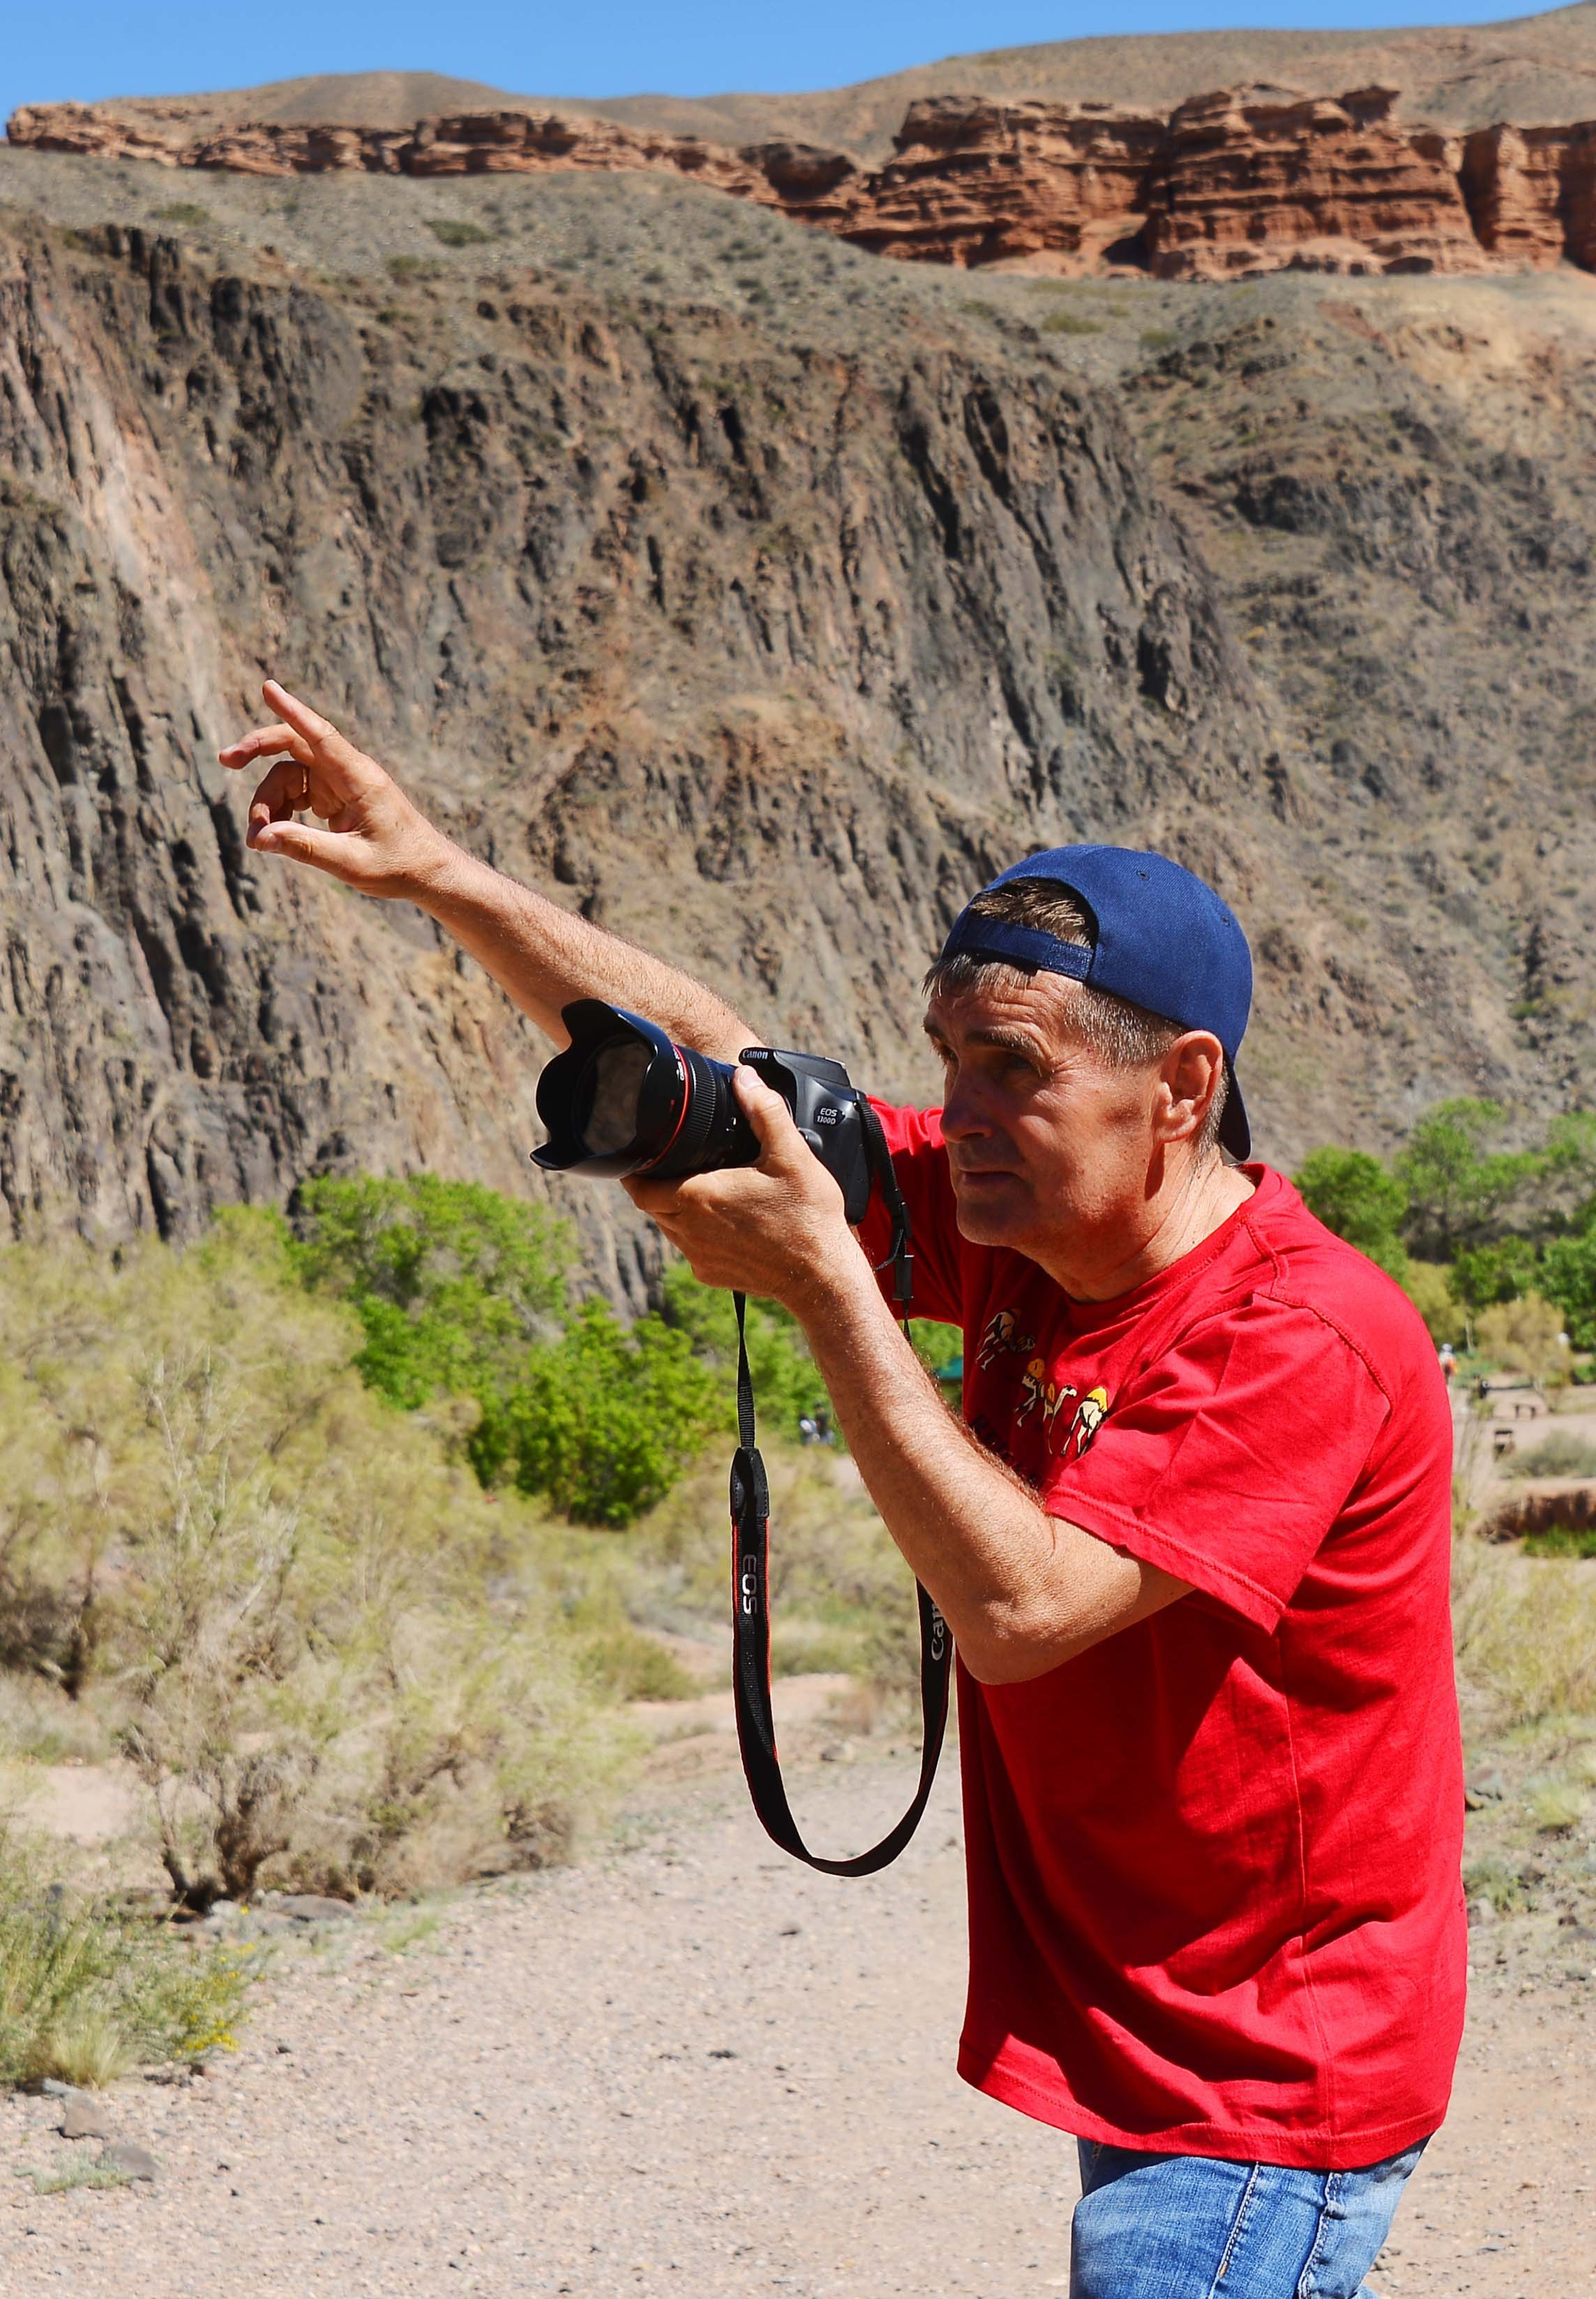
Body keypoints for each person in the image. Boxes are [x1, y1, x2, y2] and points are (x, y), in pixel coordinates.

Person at [220, 683, 1465, 2299]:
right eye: (949, 1059)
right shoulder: (1023, 1226)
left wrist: (830, 1295)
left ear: (1180, 1087)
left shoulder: (1299, 1331)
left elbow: (1024, 1614)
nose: (960, 1113)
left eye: (1010, 1067)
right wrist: (444, 876)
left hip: (1269, 2068)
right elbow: (736, 1077)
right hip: (1162, 2030)